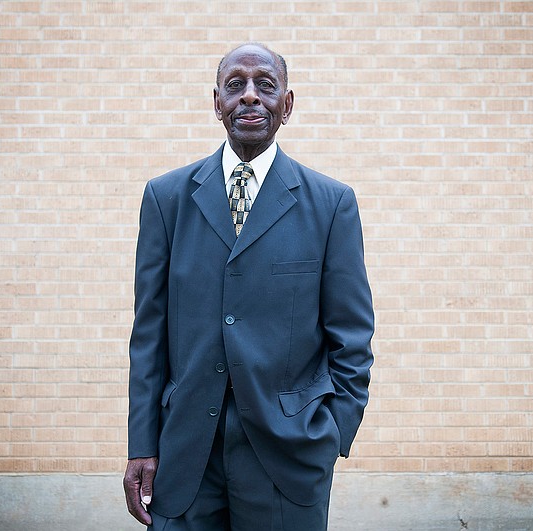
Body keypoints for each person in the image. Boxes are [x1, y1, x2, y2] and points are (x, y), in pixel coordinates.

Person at [123, 42, 375, 531]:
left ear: (288, 103)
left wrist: (332, 433)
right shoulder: (166, 199)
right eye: (234, 85)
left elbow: (352, 336)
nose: (250, 97)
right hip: (185, 454)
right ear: (216, 102)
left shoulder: (331, 205)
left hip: (287, 456)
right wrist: (142, 444)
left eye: (265, 85)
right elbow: (148, 334)